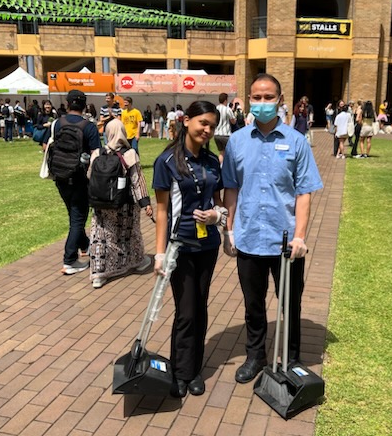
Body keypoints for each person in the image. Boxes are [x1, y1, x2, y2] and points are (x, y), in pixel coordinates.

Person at [222, 73, 323, 384]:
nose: (262, 103)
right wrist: (228, 230)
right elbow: (231, 188)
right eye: (256, 97)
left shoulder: (296, 141)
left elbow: (304, 192)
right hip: (249, 238)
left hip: (286, 242)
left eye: (268, 98)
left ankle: (291, 357)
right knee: (253, 305)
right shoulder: (236, 141)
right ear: (248, 100)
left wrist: (301, 237)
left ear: (280, 101)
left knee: (289, 304)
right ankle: (255, 356)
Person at [152, 100, 226, 398]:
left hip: (207, 246)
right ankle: (180, 371)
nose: (207, 130)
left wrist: (216, 216)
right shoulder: (166, 161)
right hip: (178, 248)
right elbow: (161, 211)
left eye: (211, 125)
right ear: (186, 121)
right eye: (202, 123)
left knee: (200, 306)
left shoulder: (211, 161)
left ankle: (194, 369)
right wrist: (158, 254)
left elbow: (219, 202)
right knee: (186, 310)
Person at [88, 119, 153, 289]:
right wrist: (145, 202)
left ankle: (99, 273)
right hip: (125, 203)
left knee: (101, 236)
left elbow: (89, 176)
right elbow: (137, 180)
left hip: (101, 202)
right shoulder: (129, 154)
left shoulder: (97, 153)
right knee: (129, 234)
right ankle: (135, 262)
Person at [43, 90, 101, 274]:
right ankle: (69, 260)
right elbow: (96, 155)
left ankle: (85, 246)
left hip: (60, 177)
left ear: (67, 104)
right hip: (80, 178)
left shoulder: (56, 124)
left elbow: (46, 146)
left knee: (74, 216)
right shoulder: (89, 127)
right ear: (84, 106)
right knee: (77, 219)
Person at [214, 93, 235, 164]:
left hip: (216, 134)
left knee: (221, 152)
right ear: (225, 100)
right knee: (230, 153)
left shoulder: (215, 108)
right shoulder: (227, 109)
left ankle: (220, 166)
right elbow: (233, 121)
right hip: (225, 134)